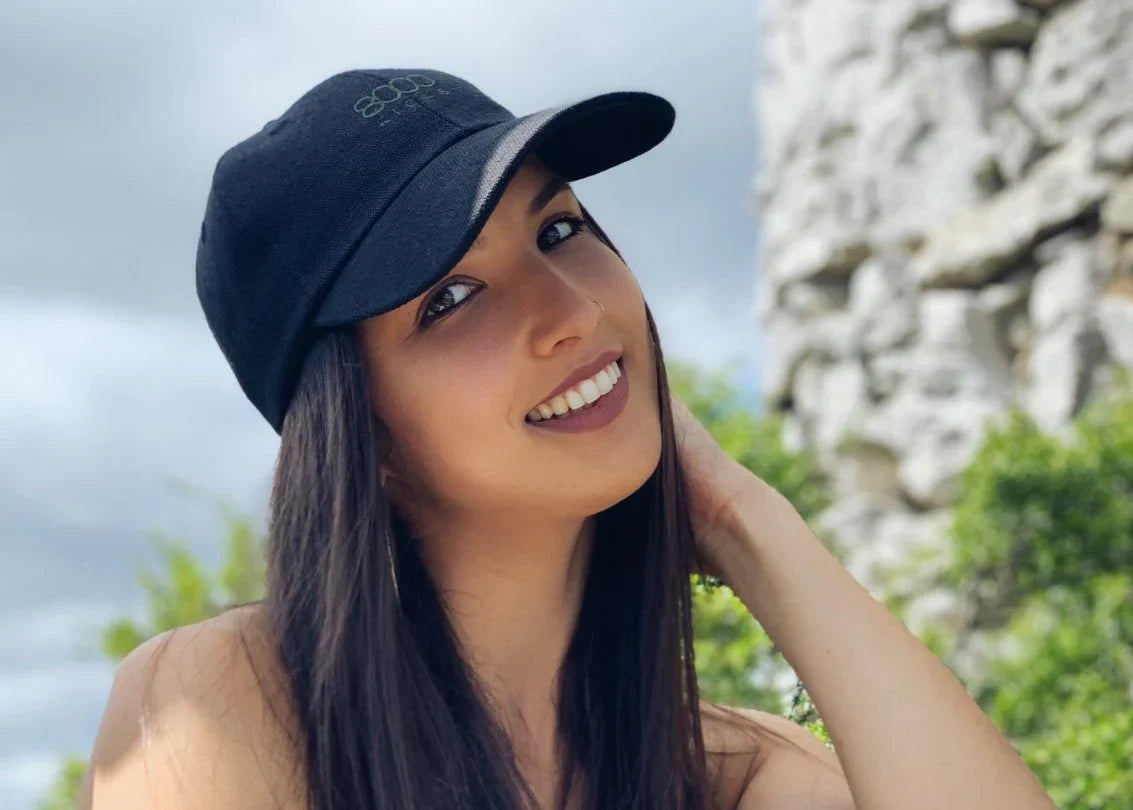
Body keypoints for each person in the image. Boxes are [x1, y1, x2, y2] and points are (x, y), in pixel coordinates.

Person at [80, 69, 1056, 810]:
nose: (573, 314)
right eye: (450, 299)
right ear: (361, 437)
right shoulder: (224, 703)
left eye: (557, 231)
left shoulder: (738, 774)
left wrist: (747, 524)